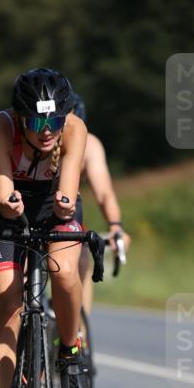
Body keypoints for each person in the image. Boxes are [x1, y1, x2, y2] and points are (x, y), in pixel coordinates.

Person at [0, 68, 89, 388]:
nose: (46, 131)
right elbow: (2, 187)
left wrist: (64, 205)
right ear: (21, 117)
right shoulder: (1, 126)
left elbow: (69, 189)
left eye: (53, 122)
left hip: (54, 206)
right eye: (37, 123)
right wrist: (8, 205)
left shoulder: (75, 129)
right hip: (9, 208)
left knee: (64, 273)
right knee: (9, 302)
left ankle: (70, 353)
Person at [71, 93, 132, 316]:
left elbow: (104, 193)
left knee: (81, 258)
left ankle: (79, 328)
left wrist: (116, 227)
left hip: (65, 215)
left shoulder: (90, 145)